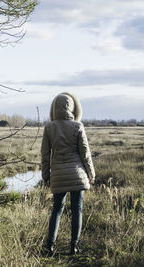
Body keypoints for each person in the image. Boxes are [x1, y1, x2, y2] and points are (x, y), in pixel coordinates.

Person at [41, 92, 95, 255]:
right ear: (72, 108)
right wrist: (91, 173)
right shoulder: (78, 126)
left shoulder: (49, 127)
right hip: (77, 173)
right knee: (77, 209)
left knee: (57, 209)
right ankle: (74, 246)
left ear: (54, 108)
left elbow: (45, 154)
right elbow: (85, 153)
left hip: (58, 174)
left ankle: (50, 245)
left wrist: (46, 176)